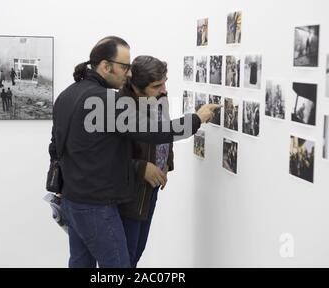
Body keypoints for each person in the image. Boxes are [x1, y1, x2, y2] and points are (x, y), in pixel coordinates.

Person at [49, 36, 218, 268]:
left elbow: (56, 148)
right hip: (96, 205)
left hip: (71, 199)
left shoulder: (67, 94)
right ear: (105, 66)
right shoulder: (106, 100)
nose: (128, 73)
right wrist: (197, 119)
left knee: (80, 264)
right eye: (124, 67)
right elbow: (155, 132)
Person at [118, 55, 175, 268]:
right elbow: (109, 155)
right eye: (157, 85)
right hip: (129, 193)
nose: (164, 89)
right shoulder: (119, 107)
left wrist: (167, 162)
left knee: (137, 252)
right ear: (136, 86)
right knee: (125, 257)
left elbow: (167, 130)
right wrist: (142, 168)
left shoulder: (160, 97)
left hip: (151, 190)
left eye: (165, 82)